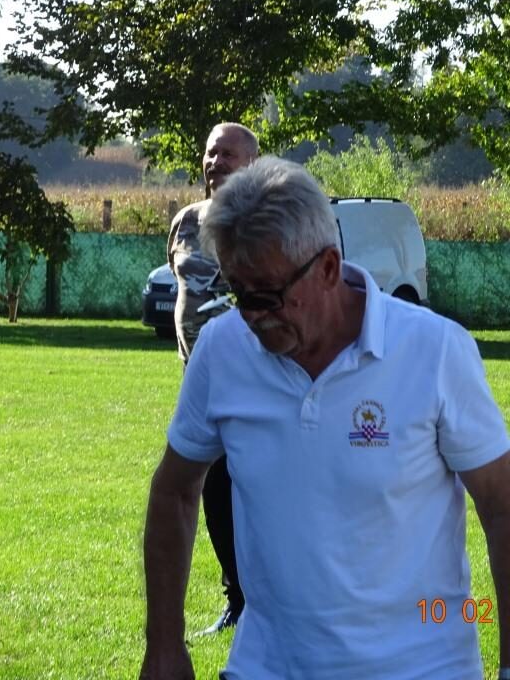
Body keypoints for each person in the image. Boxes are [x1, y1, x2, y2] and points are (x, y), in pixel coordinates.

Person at [141, 156, 510, 680]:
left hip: (421, 669)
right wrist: (163, 644)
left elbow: (502, 506)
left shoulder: (433, 350)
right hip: (265, 668)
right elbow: (174, 492)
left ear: (329, 268)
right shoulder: (223, 350)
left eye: (267, 295)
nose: (253, 316)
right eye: (239, 294)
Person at [167, 122, 259, 634]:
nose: (215, 162)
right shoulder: (185, 222)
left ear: (252, 164)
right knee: (211, 491)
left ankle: (265, 598)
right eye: (210, 153)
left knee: (252, 490)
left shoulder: (265, 223)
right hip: (197, 384)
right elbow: (183, 283)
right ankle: (237, 599)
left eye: (228, 154)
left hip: (253, 382)